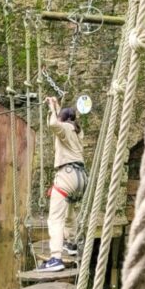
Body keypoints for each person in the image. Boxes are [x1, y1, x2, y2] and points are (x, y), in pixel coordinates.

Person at [38, 95, 88, 272]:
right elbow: (62, 120)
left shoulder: (64, 128)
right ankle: (71, 243)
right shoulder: (76, 130)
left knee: (55, 218)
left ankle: (56, 258)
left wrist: (52, 109)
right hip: (80, 177)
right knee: (69, 212)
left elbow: (53, 124)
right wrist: (57, 107)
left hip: (66, 175)